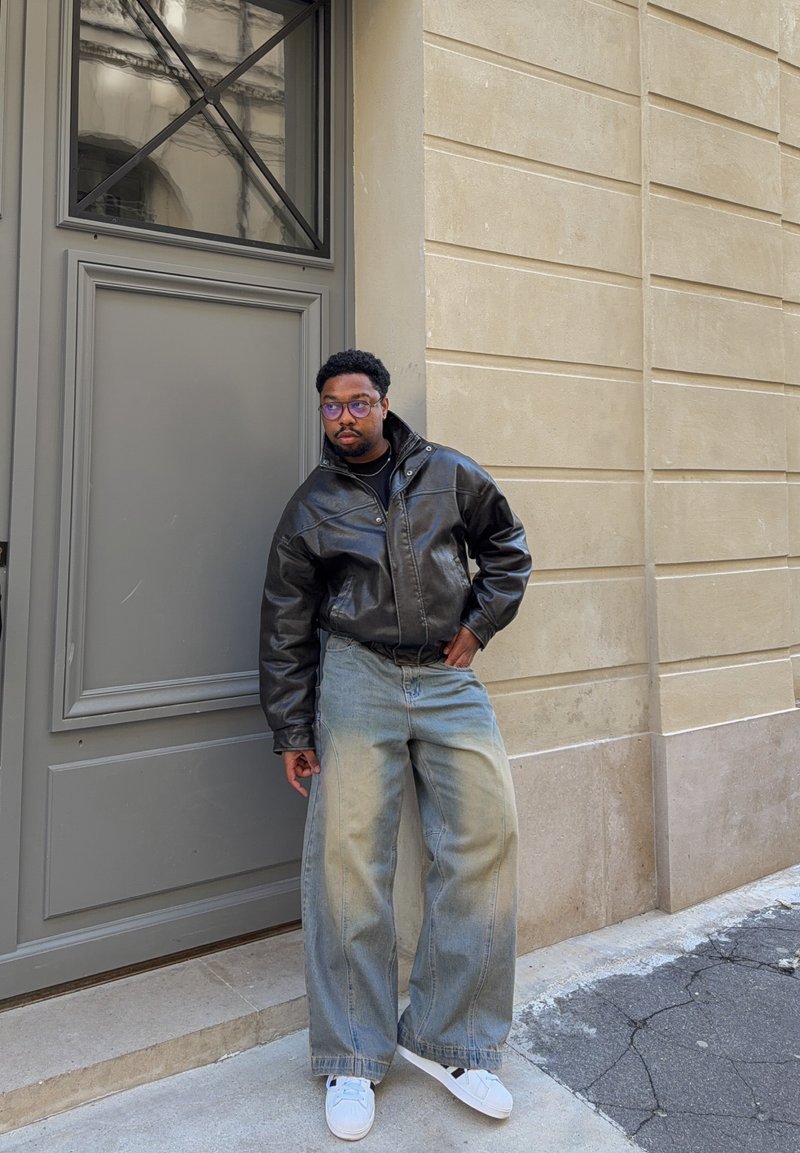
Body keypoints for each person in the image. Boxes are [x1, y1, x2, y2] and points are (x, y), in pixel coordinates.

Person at [259, 350, 531, 1141]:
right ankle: (352, 1051)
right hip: (355, 675)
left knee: (487, 832)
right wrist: (292, 727)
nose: (344, 416)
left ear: (383, 404)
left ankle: (455, 1039)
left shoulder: (449, 474)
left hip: (447, 677)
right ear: (322, 415)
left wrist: (479, 626)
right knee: (348, 857)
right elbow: (283, 621)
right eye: (331, 406)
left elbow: (507, 548)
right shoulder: (310, 505)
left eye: (358, 401)